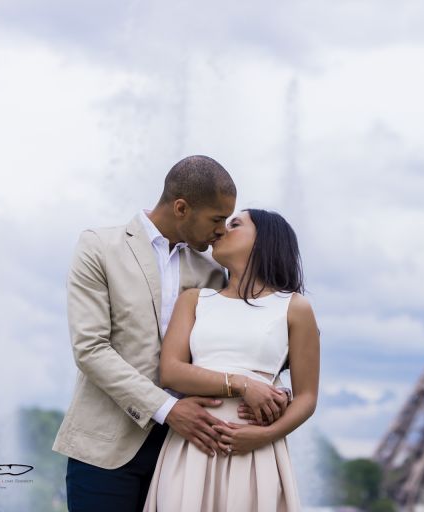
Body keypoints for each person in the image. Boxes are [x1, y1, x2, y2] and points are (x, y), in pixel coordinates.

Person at [52, 156, 287, 511]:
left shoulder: (211, 272)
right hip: (105, 450)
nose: (222, 230)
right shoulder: (98, 246)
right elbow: (90, 350)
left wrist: (270, 385)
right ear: (181, 208)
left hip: (187, 454)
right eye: (216, 219)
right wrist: (167, 409)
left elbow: (238, 339)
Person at [142, 208, 320, 512]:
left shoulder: (295, 308)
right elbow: (170, 372)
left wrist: (263, 436)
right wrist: (243, 385)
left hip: (255, 452)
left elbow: (307, 397)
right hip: (194, 443)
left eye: (235, 224)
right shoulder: (195, 300)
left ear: (265, 241)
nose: (221, 231)